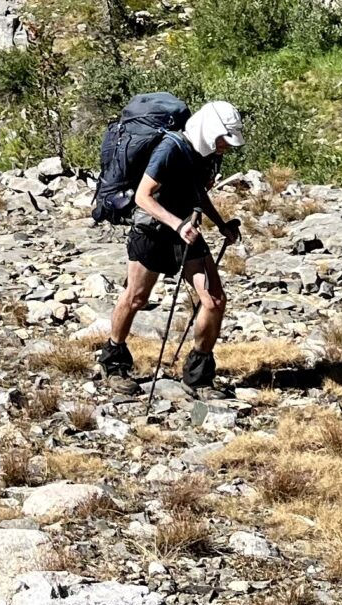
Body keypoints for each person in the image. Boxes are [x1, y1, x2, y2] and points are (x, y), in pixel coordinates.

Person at [98, 100, 244, 390]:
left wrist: (221, 224)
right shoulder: (170, 149)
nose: (225, 147)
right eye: (223, 139)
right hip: (153, 232)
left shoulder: (205, 154)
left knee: (214, 300)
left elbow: (197, 192)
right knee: (136, 298)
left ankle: (199, 376)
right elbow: (143, 196)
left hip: (186, 233)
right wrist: (178, 224)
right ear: (209, 130)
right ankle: (113, 362)